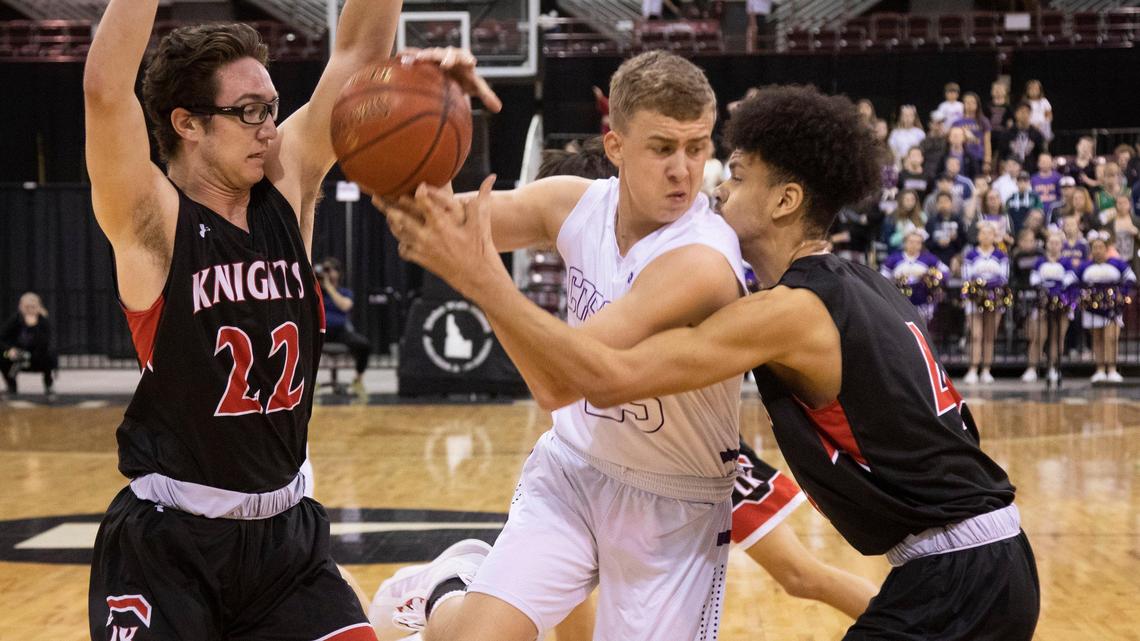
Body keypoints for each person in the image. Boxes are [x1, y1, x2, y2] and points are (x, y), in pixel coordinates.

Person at [387, 84, 1039, 641]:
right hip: (986, 559)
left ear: (784, 201)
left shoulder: (789, 311)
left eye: (738, 173)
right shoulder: (861, 284)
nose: (718, 185)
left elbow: (607, 377)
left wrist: (486, 283)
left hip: (958, 568)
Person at [82, 1, 500, 639]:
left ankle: (424, 592)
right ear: (187, 123)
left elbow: (359, 56)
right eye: (248, 112)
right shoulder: (152, 221)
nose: (269, 129)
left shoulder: (287, 184)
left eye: (272, 109)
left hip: (287, 542)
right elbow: (105, 91)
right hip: (169, 546)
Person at [371, 50, 754, 641]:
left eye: (698, 146)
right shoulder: (573, 203)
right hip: (574, 469)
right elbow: (431, 219)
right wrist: (434, 112)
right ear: (616, 146)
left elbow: (558, 384)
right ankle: (452, 583)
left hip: (674, 506)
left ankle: (460, 582)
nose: (685, 168)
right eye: (662, 148)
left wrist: (482, 278)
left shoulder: (701, 261)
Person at [1077, 232, 1135, 382]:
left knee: (1111, 338)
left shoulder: (1117, 263)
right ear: (1091, 250)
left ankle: (1112, 369)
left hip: (1112, 307)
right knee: (1097, 338)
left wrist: (1122, 293)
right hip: (1092, 307)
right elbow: (1072, 280)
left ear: (1106, 248)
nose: (1097, 250)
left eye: (1100, 247)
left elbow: (1131, 279)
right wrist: (1081, 294)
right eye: (1094, 247)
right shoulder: (1085, 266)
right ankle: (1100, 369)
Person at [1024, 231, 1077, 386]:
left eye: (1057, 243)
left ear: (1061, 245)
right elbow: (1034, 279)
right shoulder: (1039, 261)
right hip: (1043, 301)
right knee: (1039, 336)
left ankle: (1054, 367)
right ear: (1047, 244)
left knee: (1058, 336)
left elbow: (1069, 279)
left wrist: (1057, 290)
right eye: (1051, 243)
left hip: (1062, 303)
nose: (1054, 246)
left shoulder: (1066, 262)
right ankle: (1032, 368)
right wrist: (1047, 288)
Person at [961, 221, 1010, 385]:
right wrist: (980, 288)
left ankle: (987, 369)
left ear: (994, 236)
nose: (986, 236)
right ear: (979, 235)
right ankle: (973, 369)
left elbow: (1004, 277)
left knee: (989, 335)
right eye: (983, 233)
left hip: (995, 299)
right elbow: (967, 277)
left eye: (990, 233)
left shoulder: (1001, 255)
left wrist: (987, 285)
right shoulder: (970, 255)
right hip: (974, 299)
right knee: (976, 335)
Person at [319, 257, 372, 394]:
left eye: (329, 270)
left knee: (364, 345)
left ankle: (358, 381)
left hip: (340, 332)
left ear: (338, 273)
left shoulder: (344, 292)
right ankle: (309, 382)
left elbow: (344, 306)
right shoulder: (316, 291)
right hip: (320, 332)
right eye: (324, 270)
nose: (327, 273)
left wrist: (329, 287)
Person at [881, 230, 948, 323]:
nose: (914, 245)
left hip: (922, 301)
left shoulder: (928, 258)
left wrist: (930, 276)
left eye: (918, 243)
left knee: (921, 327)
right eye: (911, 242)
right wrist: (896, 279)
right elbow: (883, 277)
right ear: (905, 243)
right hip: (899, 301)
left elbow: (945, 271)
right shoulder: (894, 258)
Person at [1, 292, 57, 397]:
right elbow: (3, 338)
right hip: (17, 354)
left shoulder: (43, 321)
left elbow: (45, 342)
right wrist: (10, 349)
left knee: (49, 355)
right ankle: (11, 386)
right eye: (27, 307)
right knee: (3, 355)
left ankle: (48, 385)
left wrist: (34, 326)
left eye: (33, 307)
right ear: (21, 307)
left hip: (37, 356)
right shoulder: (16, 320)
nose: (30, 309)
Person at [998, 102, 1046, 174]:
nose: (1025, 115)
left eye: (1027, 112)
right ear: (1016, 114)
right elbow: (1002, 155)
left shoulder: (1037, 134)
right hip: (1011, 171)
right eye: (1022, 112)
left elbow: (1041, 154)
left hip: (1031, 171)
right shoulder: (1007, 134)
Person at [1023, 79, 1053, 143]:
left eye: (1036, 89)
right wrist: (1031, 126)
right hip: (1028, 127)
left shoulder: (1044, 101)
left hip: (1042, 128)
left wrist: (1041, 125)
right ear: (1027, 91)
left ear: (1040, 90)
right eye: (1031, 89)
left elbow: (1049, 116)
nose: (1033, 91)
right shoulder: (1025, 103)